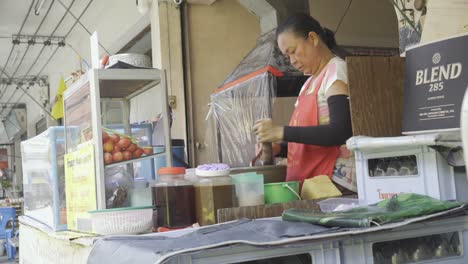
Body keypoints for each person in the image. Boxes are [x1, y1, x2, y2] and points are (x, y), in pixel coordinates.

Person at [253, 13, 355, 192]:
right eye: (287, 57)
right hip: (312, 184)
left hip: (335, 184)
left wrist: (281, 131)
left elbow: (341, 131)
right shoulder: (308, 84)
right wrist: (278, 146)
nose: (292, 61)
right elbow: (305, 139)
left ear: (313, 38)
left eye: (293, 51)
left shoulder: (336, 71)